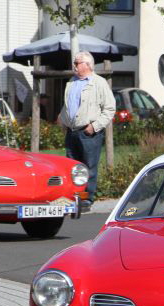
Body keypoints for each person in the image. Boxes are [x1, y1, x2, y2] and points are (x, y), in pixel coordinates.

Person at [58, 51, 116, 207]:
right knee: (71, 166)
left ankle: (86, 198)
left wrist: (94, 126)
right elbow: (68, 106)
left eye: (77, 63)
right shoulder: (71, 82)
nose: (74, 66)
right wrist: (63, 120)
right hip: (72, 131)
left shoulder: (99, 83)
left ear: (88, 65)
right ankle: (73, 196)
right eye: (74, 63)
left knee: (89, 166)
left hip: (88, 132)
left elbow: (110, 109)